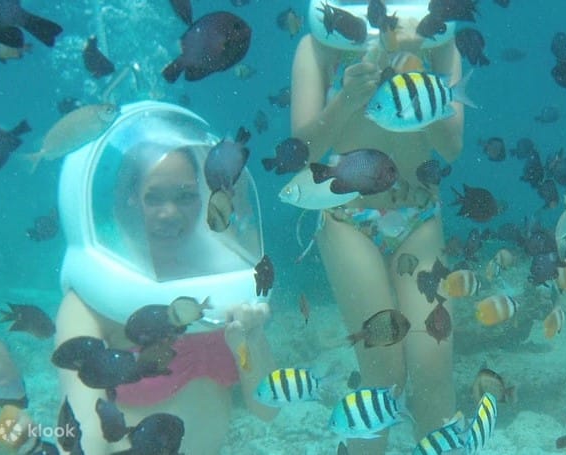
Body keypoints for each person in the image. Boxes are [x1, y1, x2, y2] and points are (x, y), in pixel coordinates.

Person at [290, 0, 464, 451]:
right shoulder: (318, 46)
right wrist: (349, 94)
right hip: (347, 214)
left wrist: (413, 63)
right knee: (382, 367)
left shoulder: (440, 40)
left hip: (419, 212)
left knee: (432, 366)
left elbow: (451, 148)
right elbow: (307, 150)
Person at [54, 101, 277, 454]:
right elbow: (81, 440)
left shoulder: (226, 278)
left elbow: (267, 409)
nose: (169, 212)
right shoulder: (88, 303)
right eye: (153, 198)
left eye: (186, 196)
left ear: (204, 198)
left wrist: (251, 342)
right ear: (129, 200)